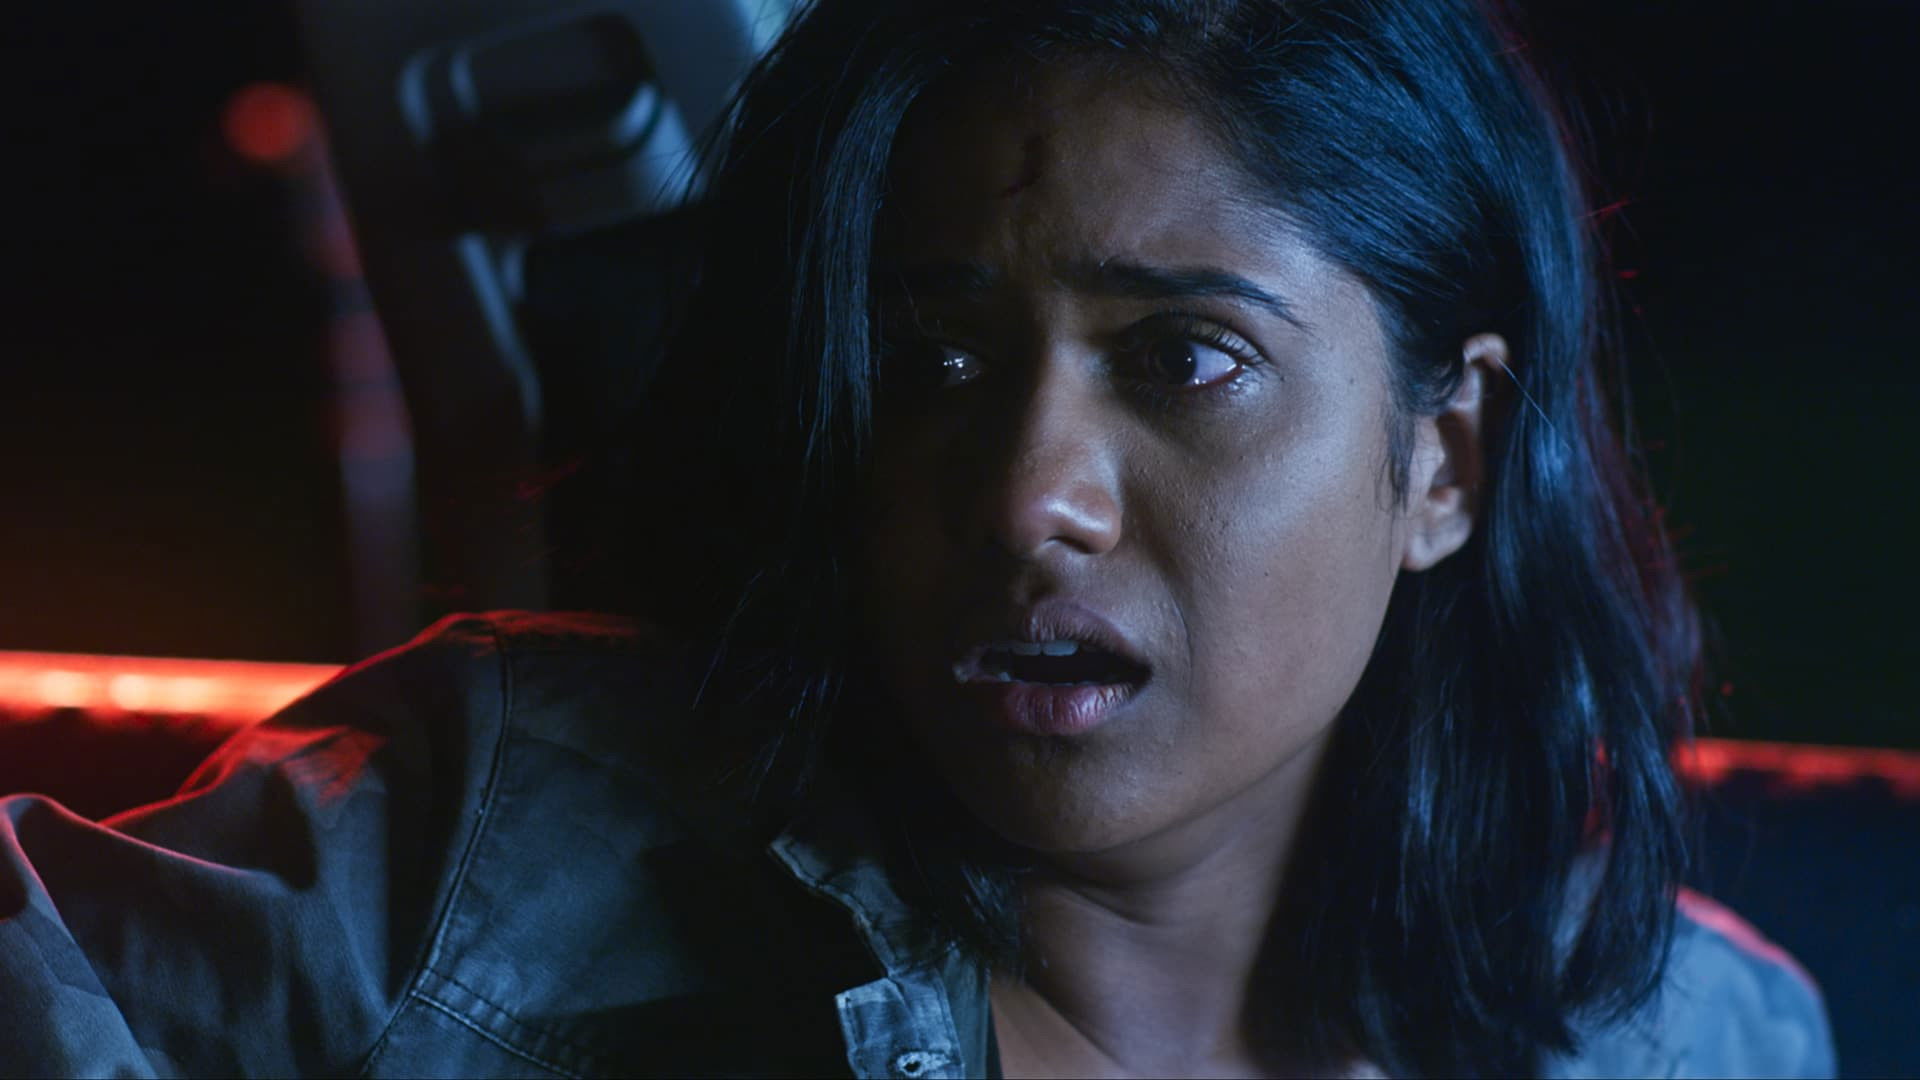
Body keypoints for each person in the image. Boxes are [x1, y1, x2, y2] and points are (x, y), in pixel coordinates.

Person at [0, 0, 1834, 1076]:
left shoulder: (1696, 1041)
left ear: (1443, 458)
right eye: (936, 359)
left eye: (1186, 360)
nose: (1029, 495)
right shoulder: (484, 845)